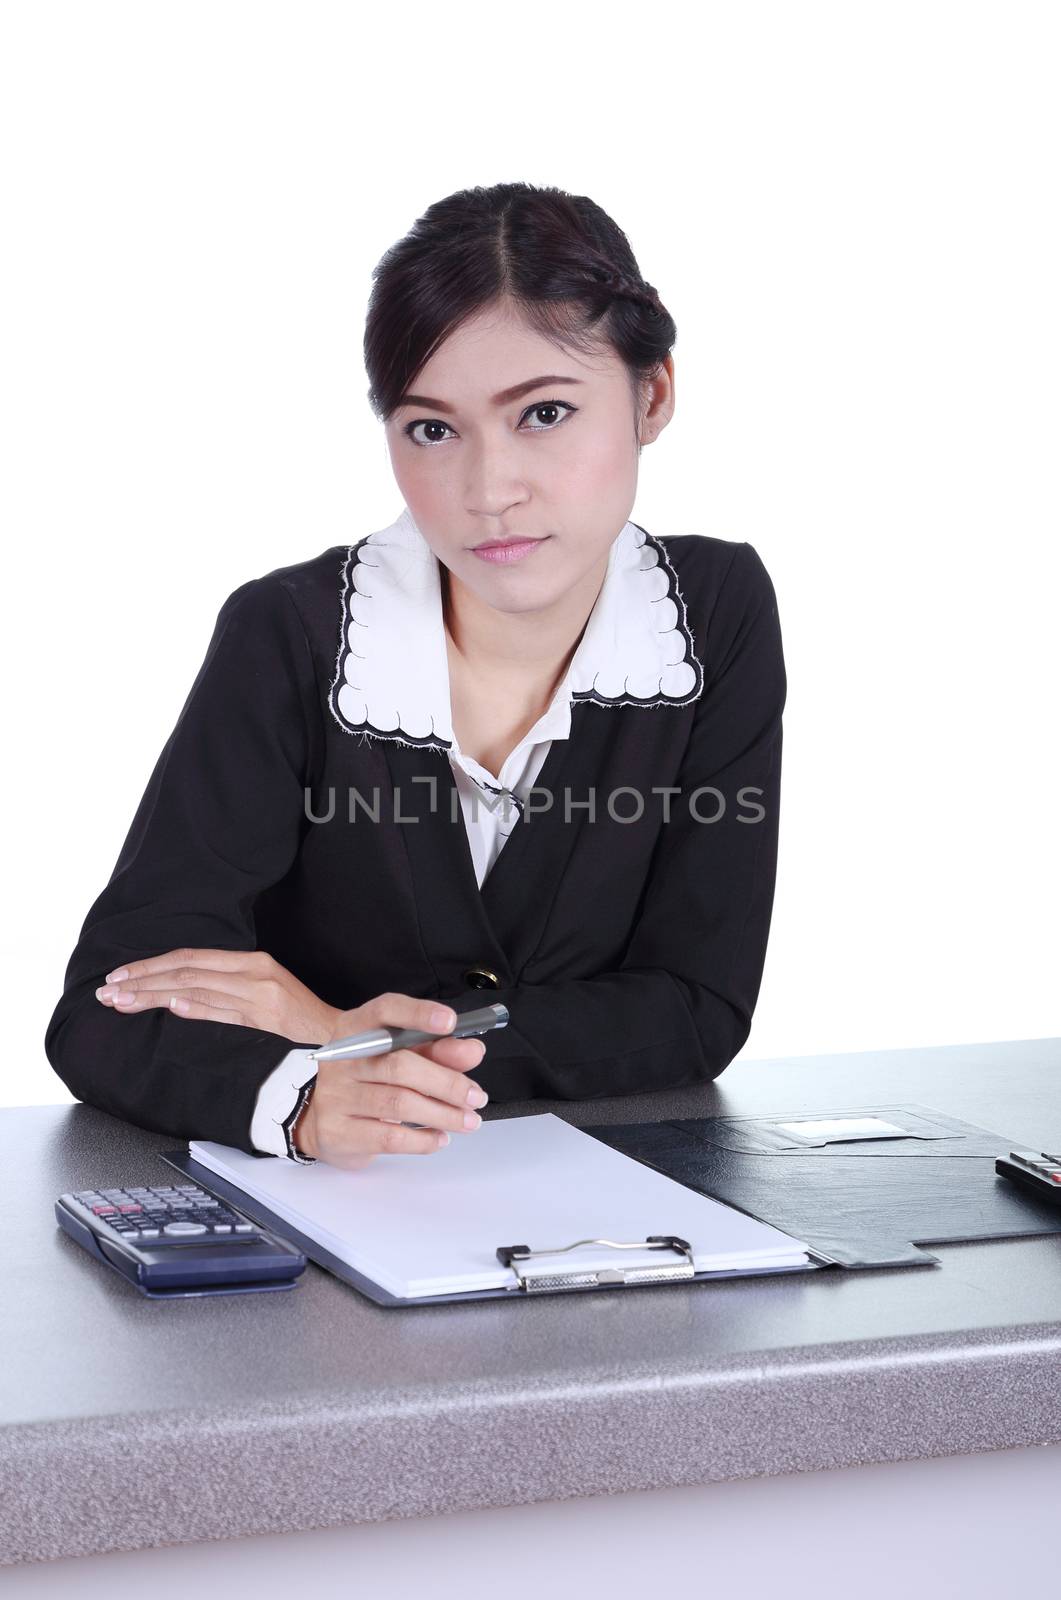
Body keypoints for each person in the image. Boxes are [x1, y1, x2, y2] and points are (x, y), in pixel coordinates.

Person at [45, 179, 787, 1172]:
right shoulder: (295, 635)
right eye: (430, 429)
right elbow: (110, 1005)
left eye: (545, 414)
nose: (487, 491)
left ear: (651, 395)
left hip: (601, 1214)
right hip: (322, 1228)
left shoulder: (709, 615)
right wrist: (306, 1097)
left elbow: (695, 1010)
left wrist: (351, 1034)